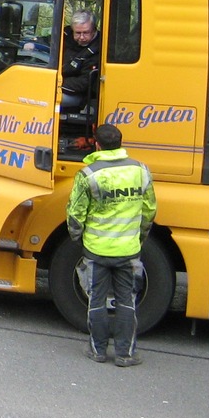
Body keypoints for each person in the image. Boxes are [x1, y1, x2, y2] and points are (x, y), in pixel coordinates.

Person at [66, 123, 156, 367]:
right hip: (128, 250)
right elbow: (149, 210)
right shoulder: (141, 171)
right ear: (121, 142)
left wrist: (78, 239)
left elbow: (76, 215)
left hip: (96, 251)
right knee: (127, 300)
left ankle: (97, 351)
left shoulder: (89, 175)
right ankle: (126, 355)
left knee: (96, 300)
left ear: (96, 144)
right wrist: (140, 237)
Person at [61, 9, 101, 97]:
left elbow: (84, 82)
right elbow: (51, 41)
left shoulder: (100, 48)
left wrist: (56, 81)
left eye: (86, 33)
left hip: (80, 94)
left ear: (94, 30)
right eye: (78, 33)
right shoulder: (66, 34)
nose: (82, 37)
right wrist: (33, 45)